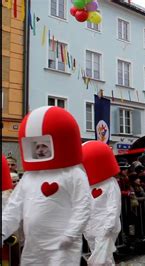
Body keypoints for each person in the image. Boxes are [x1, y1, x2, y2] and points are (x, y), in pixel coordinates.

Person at [2, 106, 92, 264]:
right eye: (36, 146)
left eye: (44, 145)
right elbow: (14, 207)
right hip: (34, 246)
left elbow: (83, 205)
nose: (40, 150)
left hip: (62, 247)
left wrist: (71, 234)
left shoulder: (73, 174)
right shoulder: (30, 177)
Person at [82, 141, 122, 265]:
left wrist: (109, 225)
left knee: (103, 259)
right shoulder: (86, 185)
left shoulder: (110, 183)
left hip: (104, 226)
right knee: (99, 256)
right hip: (90, 226)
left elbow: (113, 205)